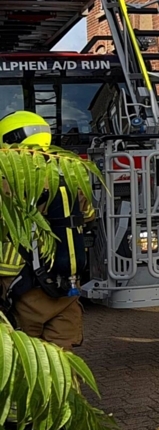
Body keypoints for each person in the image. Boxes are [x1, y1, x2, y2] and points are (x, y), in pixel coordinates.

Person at [0, 111, 95, 351]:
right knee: (62, 360)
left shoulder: (8, 178)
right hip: (66, 285)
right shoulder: (71, 171)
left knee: (24, 358)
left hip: (18, 284)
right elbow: (89, 215)